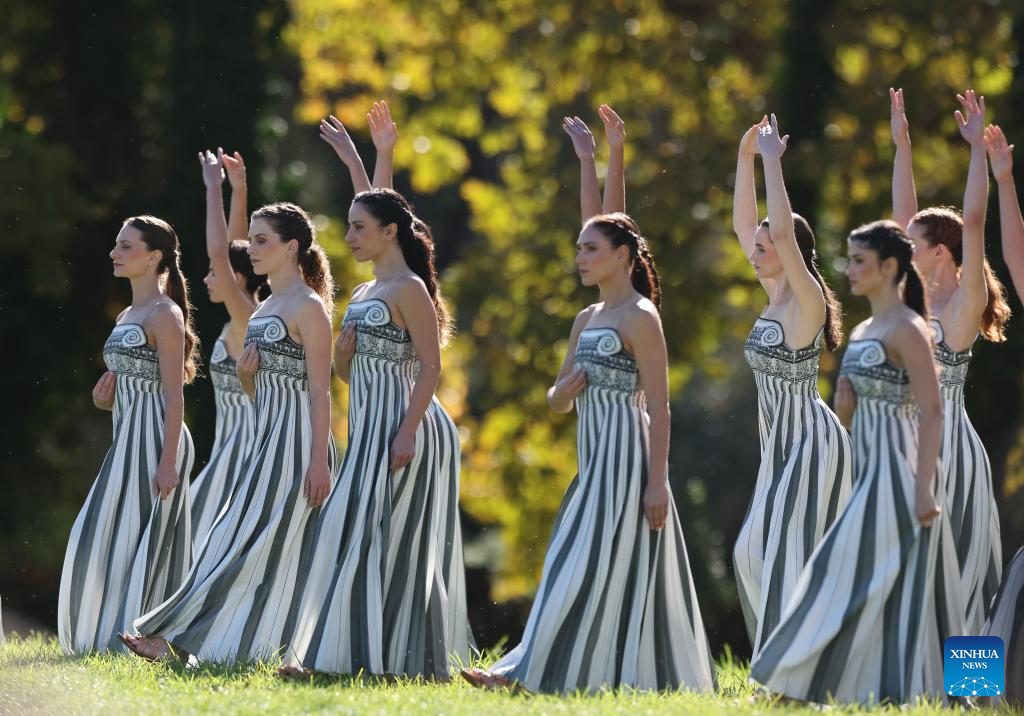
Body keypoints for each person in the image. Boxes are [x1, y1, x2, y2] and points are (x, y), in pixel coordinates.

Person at [462, 209, 715, 693]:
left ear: (622, 256)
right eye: (579, 248)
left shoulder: (641, 316)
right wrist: (563, 391)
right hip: (593, 463)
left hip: (627, 462)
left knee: (579, 563)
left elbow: (660, 407)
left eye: (590, 248)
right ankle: (543, 670)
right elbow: (556, 401)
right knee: (575, 561)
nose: (580, 257)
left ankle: (524, 674)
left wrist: (657, 482)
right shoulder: (585, 319)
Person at [751, 219, 959, 704]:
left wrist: (924, 487)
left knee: (937, 592)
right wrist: (845, 410)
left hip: (902, 474)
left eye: (860, 260)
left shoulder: (909, 328)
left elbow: (932, 411)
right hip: (868, 472)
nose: (849, 268)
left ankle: (973, 694)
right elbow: (857, 414)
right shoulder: (865, 329)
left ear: (888, 267)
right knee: (857, 578)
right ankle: (801, 686)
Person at [121, 202, 338, 662]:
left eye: (262, 240)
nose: (252, 248)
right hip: (266, 442)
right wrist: (244, 377)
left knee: (255, 546)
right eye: (252, 239)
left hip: (300, 445)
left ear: (291, 247)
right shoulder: (264, 310)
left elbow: (321, 391)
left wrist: (319, 460)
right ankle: (184, 639)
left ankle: (174, 638)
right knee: (228, 539)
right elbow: (258, 394)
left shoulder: (309, 306)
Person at [731, 115, 852, 656]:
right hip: (778, 445)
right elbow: (745, 225)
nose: (755, 252)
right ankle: (793, 661)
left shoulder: (806, 301)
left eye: (765, 246)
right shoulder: (773, 295)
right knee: (752, 554)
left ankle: (788, 671)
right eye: (757, 246)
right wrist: (745, 159)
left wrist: (773, 162)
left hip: (810, 443)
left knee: (778, 557)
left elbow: (780, 231)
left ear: (790, 252)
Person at [890, 88, 1010, 633]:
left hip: (951, 454)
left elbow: (976, 220)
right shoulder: (909, 295)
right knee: (910, 580)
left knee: (963, 581)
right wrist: (902, 147)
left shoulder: (964, 304)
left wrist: (978, 152)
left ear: (940, 252)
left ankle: (974, 682)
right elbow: (903, 217)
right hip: (904, 447)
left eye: (913, 243)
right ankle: (915, 676)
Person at [58, 216, 197, 654]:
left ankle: (151, 640)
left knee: (144, 542)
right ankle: (107, 636)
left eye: (125, 246)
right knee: (100, 535)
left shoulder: (166, 314)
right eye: (116, 245)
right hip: (127, 439)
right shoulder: (126, 315)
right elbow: (131, 388)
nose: (114, 253)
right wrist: (106, 402)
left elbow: (174, 395)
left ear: (154, 257)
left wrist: (168, 462)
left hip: (156, 440)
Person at [189, 149, 267, 545]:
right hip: (226, 452)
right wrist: (239, 190)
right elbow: (236, 250)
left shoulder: (248, 318)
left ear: (235, 279)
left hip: (243, 457)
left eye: (213, 273)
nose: (207, 278)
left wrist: (212, 190)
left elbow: (222, 252)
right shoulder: (242, 315)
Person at [982, 122, 1024, 706]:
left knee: (980, 582)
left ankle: (973, 691)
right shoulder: (923, 297)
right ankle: (972, 693)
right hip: (916, 463)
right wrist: (1005, 182)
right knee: (984, 586)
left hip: (958, 462)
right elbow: (1014, 256)